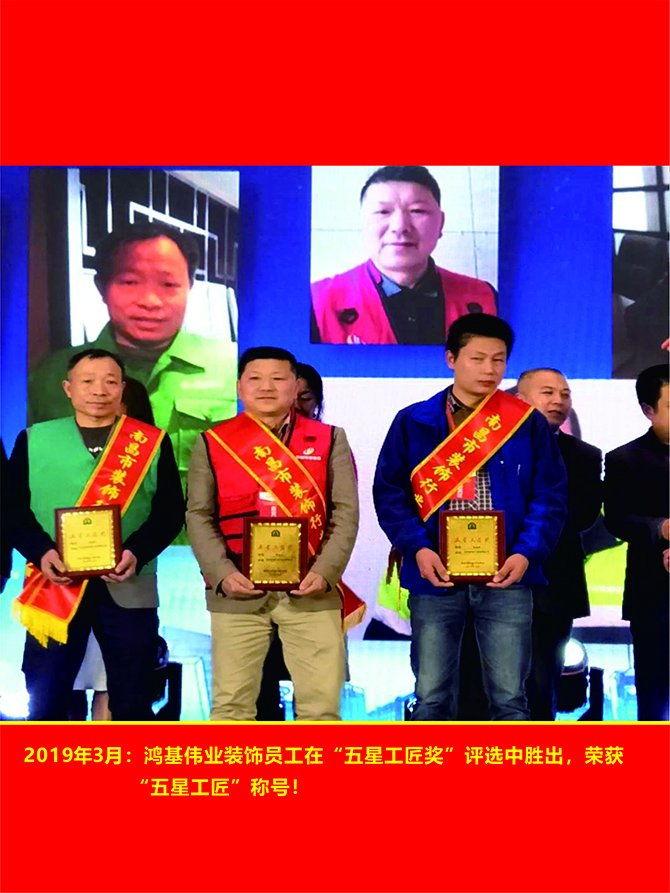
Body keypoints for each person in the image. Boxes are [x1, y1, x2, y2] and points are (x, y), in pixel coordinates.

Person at [373, 313, 567, 721]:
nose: (489, 369)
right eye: (477, 359)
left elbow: (549, 496)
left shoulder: (525, 423)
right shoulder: (414, 421)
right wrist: (417, 548)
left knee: (510, 697)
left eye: (498, 360)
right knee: (431, 696)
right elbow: (390, 494)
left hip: (506, 574)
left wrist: (526, 553)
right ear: (451, 359)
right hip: (435, 573)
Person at [10, 348, 184, 720]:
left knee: (133, 699)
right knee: (46, 698)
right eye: (87, 381)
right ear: (68, 388)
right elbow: (11, 510)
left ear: (122, 388)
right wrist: (42, 551)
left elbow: (170, 512)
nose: (99, 391)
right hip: (53, 584)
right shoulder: (35, 439)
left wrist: (136, 552)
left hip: (129, 583)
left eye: (110, 382)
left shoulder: (151, 442)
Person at [186, 347, 359, 721]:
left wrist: (325, 572)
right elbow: (199, 515)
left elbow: (345, 513)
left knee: (321, 708)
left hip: (312, 589)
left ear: (296, 387)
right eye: (255, 379)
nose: (267, 387)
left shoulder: (330, 439)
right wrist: (222, 574)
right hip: (237, 589)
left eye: (278, 379)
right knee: (231, 707)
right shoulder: (213, 442)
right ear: (239, 387)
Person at [27, 222, 237, 499]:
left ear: (190, 287)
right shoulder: (50, 377)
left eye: (168, 284)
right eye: (129, 282)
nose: (150, 301)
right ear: (101, 287)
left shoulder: (235, 367)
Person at [311, 166, 497, 345]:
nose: (400, 226)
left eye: (417, 211)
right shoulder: (317, 302)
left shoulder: (485, 298)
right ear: (362, 223)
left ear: (440, 223)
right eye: (383, 212)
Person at [516, 368, 602, 719]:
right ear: (519, 400)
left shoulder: (584, 455)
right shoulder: (488, 451)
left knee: (542, 686)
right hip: (489, 585)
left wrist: (526, 522)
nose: (558, 401)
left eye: (565, 394)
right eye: (548, 392)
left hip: (554, 587)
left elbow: (582, 515)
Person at [604, 364, 669, 721]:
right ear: (648, 410)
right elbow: (617, 519)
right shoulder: (624, 459)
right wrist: (661, 529)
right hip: (655, 598)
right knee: (655, 699)